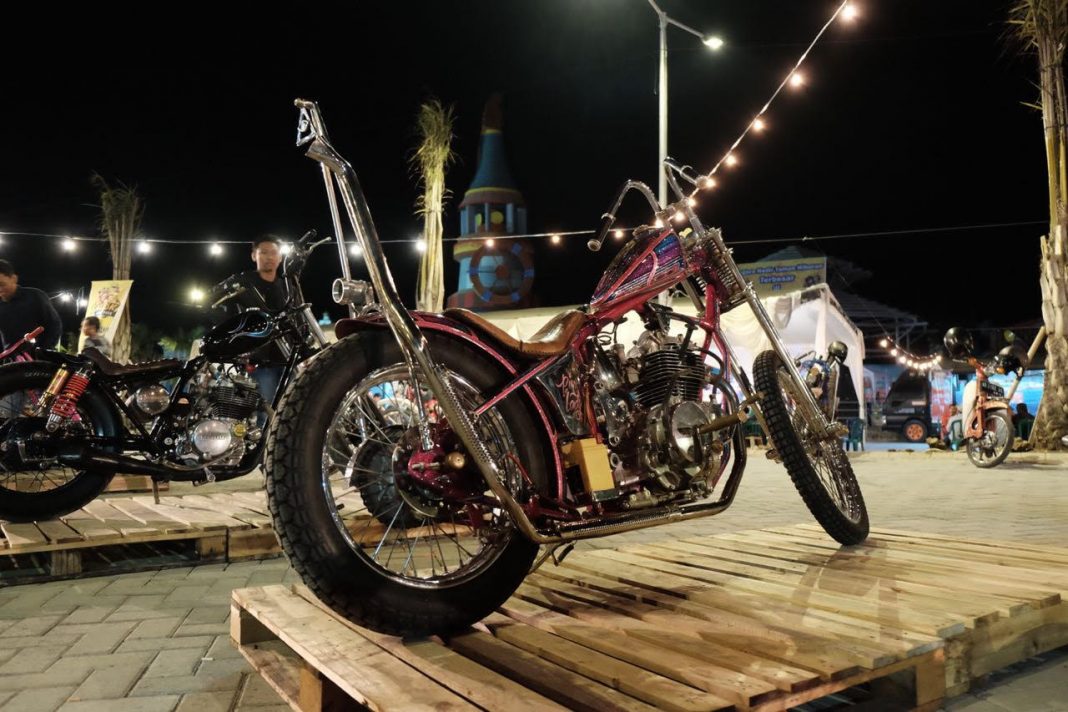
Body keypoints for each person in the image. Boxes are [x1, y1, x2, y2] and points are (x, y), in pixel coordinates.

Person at [213, 235, 288, 405]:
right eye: (264, 252)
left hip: (288, 358)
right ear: (254, 255)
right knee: (267, 409)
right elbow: (216, 305)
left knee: (295, 406)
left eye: (274, 253)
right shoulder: (242, 282)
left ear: (280, 257)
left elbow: (296, 315)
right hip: (259, 361)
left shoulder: (286, 285)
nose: (269, 257)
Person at [0, 259, 63, 357]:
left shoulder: (35, 296)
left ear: (14, 279)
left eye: (2, 284)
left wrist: (42, 351)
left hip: (39, 359)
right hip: (10, 361)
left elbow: (54, 326)